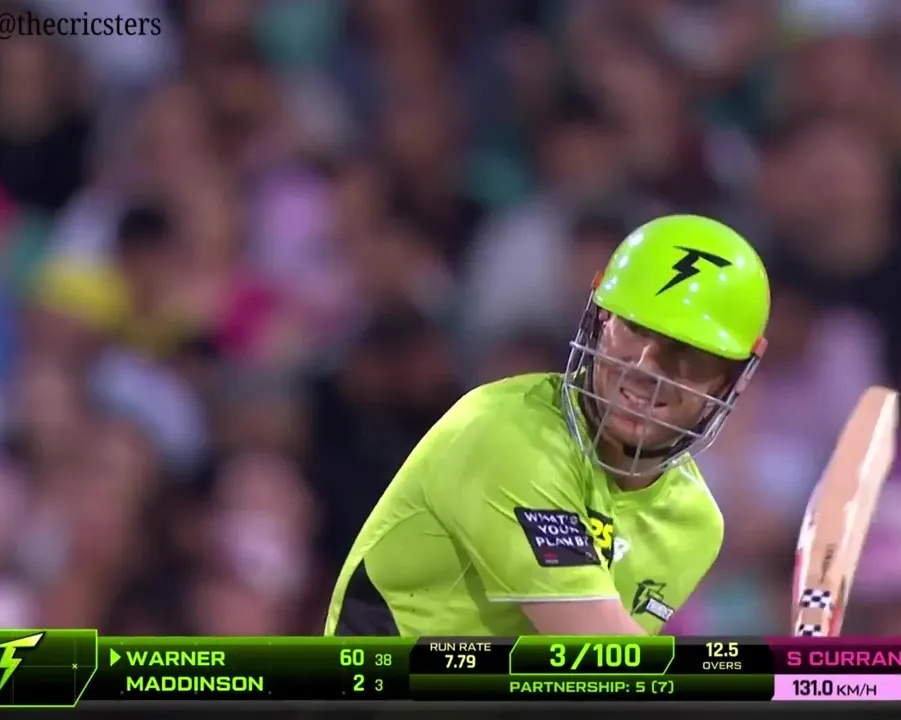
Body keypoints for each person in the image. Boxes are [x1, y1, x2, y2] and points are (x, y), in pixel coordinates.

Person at [324, 215, 771, 636]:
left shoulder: (695, 525)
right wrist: (779, 677)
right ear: (601, 320)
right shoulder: (505, 432)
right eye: (634, 329)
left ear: (732, 380)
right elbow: (599, 654)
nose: (644, 368)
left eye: (686, 352)